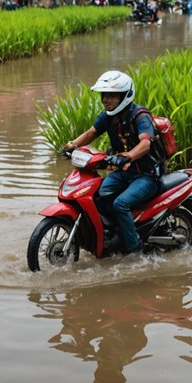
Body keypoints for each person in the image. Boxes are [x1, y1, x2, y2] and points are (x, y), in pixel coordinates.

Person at [61, 71, 163, 255]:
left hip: (146, 175)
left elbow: (145, 143)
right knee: (98, 195)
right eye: (104, 95)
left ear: (125, 96)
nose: (106, 100)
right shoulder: (108, 116)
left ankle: (134, 249)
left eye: (112, 95)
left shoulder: (140, 116)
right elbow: (91, 133)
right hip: (124, 173)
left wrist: (128, 156)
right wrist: (72, 145)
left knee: (120, 204)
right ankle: (113, 233)